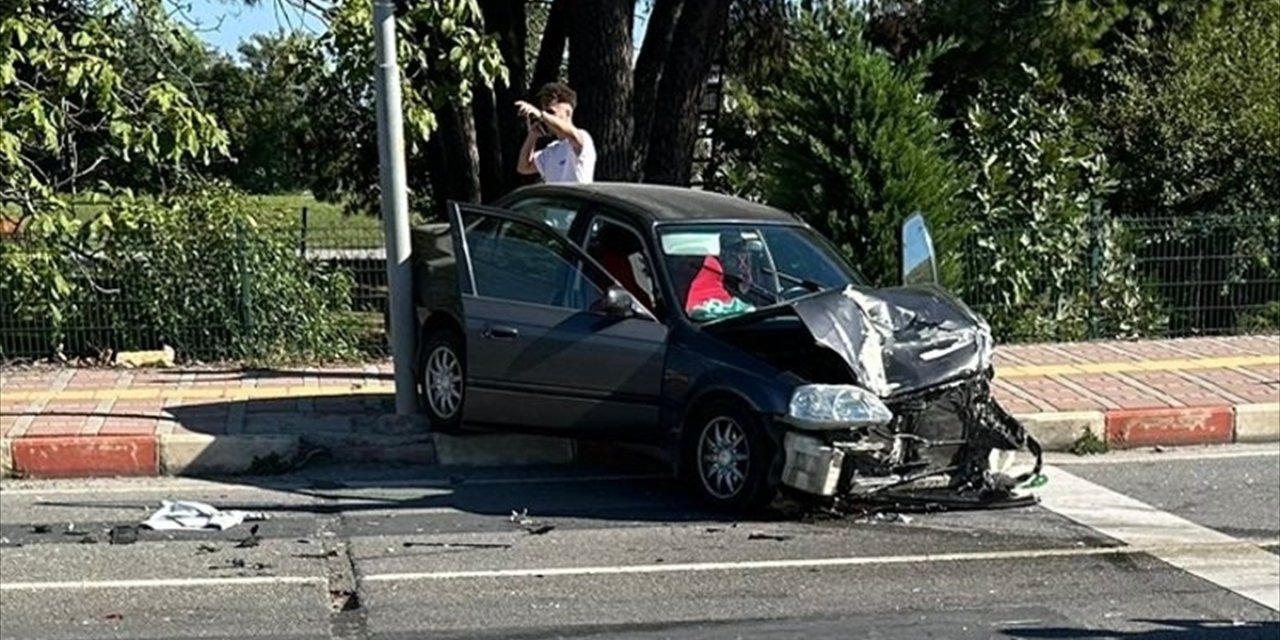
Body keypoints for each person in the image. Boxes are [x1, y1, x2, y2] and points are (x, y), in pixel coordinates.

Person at [516, 82, 596, 184]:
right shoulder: (551, 150)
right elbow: (523, 167)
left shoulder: (582, 138)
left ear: (568, 113)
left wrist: (541, 115)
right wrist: (533, 135)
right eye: (545, 112)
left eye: (551, 112)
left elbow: (572, 135)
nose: (546, 118)